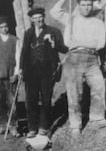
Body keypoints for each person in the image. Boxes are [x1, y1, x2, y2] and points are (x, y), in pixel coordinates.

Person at [50, 0, 106, 139]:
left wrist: (80, 42)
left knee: (99, 86)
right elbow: (54, 11)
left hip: (92, 59)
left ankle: (97, 118)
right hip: (74, 59)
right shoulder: (71, 20)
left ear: (93, 6)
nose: (86, 8)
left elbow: (100, 43)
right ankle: (75, 125)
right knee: (75, 93)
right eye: (83, 5)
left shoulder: (98, 22)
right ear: (78, 6)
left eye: (89, 5)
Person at [20, 8, 67, 139]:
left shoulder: (53, 31)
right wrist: (21, 68)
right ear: (31, 20)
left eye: (40, 17)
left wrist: (54, 43)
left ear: (44, 17)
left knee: (46, 100)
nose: (38, 20)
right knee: (31, 100)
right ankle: (32, 128)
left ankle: (43, 126)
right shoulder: (28, 33)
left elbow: (64, 49)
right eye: (35, 18)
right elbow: (24, 52)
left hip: (48, 71)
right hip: (31, 72)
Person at [0, 17, 21, 136]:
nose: (4, 29)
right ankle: (3, 125)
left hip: (10, 74)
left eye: (6, 26)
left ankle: (13, 126)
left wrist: (16, 73)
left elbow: (18, 57)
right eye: (1, 27)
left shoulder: (15, 40)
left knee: (12, 101)